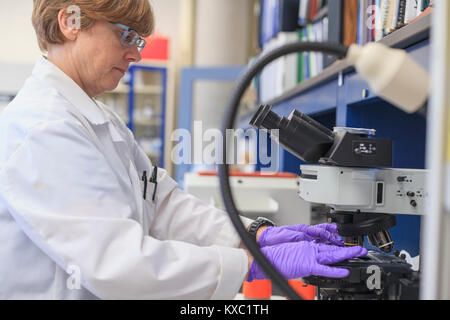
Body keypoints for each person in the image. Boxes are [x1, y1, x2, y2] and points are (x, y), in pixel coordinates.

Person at [0, 0, 367, 299]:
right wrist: (250, 263)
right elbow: (117, 264)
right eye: (126, 36)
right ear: (70, 22)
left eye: (138, 41)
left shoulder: (100, 120)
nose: (135, 55)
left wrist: (252, 236)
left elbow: (164, 206)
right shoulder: (43, 129)